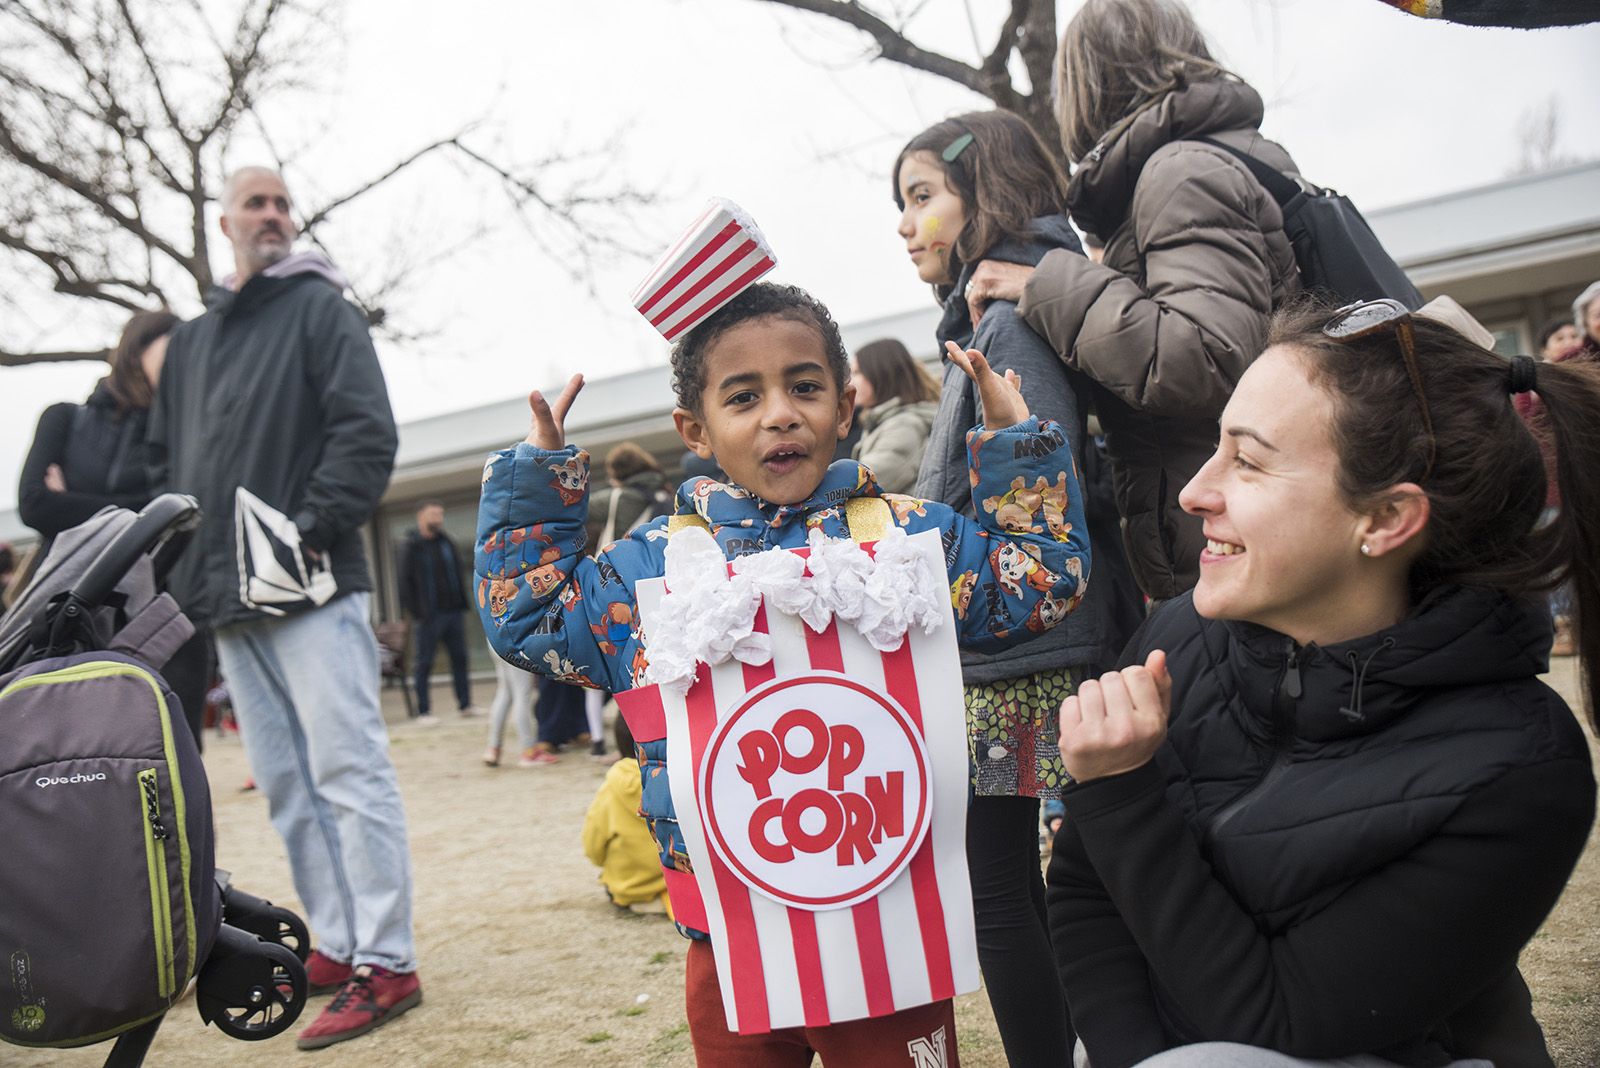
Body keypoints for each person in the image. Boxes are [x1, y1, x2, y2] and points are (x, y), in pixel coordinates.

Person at [478, 281, 1092, 1066]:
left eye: (804, 387)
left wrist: (1015, 444)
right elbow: (529, 619)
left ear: (844, 407)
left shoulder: (906, 544)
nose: (779, 413)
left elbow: (1040, 580)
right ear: (695, 429)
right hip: (728, 935)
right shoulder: (650, 572)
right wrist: (536, 482)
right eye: (744, 397)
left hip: (888, 932)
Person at [1046, 297, 1597, 1067]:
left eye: (1248, 461)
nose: (1194, 492)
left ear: (1386, 519)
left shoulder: (1521, 767)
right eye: (1217, 446)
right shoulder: (1181, 637)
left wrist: (1121, 793)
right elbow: (1084, 889)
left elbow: (1280, 1023)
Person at [147, 166, 420, 1049]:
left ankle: (389, 960)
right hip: (224, 598)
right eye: (255, 203)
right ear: (223, 220)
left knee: (348, 771)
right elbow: (165, 464)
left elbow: (366, 432)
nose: (272, 215)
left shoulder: (321, 309)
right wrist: (185, 564)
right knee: (290, 786)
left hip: (313, 582)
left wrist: (305, 532)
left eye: (281, 203)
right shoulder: (192, 342)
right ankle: (336, 941)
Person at [893, 108, 1140, 1066]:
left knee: (999, 883)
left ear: (983, 189)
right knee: (1027, 878)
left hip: (1021, 650)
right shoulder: (1004, 308)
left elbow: (1041, 485)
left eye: (922, 196)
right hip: (1025, 644)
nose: (906, 224)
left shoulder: (1007, 321)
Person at [965, 0, 1304, 602]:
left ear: (1086, 82)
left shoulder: (1181, 172)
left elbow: (1204, 357)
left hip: (1245, 550)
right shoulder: (1216, 159)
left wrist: (1047, 284)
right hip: (1251, 535)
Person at [18, 309, 214, 750]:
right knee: (62, 748)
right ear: (137, 349)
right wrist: (143, 510)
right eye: (172, 348)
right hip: (65, 607)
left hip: (160, 612)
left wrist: (72, 502)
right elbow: (34, 504)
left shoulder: (183, 436)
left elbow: (182, 510)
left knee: (170, 747)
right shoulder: (63, 419)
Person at [581, 715, 670, 916]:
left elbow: (593, 842)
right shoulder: (672, 780)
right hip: (675, 882)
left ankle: (643, 900)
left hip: (629, 886)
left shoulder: (613, 786)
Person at [399, 501, 476, 722]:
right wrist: (418, 613)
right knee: (424, 663)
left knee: (460, 659)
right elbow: (404, 583)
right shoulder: (411, 546)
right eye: (433, 514)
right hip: (428, 616)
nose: (438, 518)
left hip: (453, 612)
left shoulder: (447, 542)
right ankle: (424, 711)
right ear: (421, 516)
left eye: (440, 514)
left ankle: (465, 705)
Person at [846, 338, 940, 493]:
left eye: (857, 373)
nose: (850, 382)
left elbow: (860, 482)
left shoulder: (904, 425)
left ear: (880, 374)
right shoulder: (886, 421)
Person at [482, 634, 538, 766]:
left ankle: (493, 747)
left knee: (505, 692)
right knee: (522, 694)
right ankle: (528, 751)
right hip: (515, 638)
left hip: (495, 637)